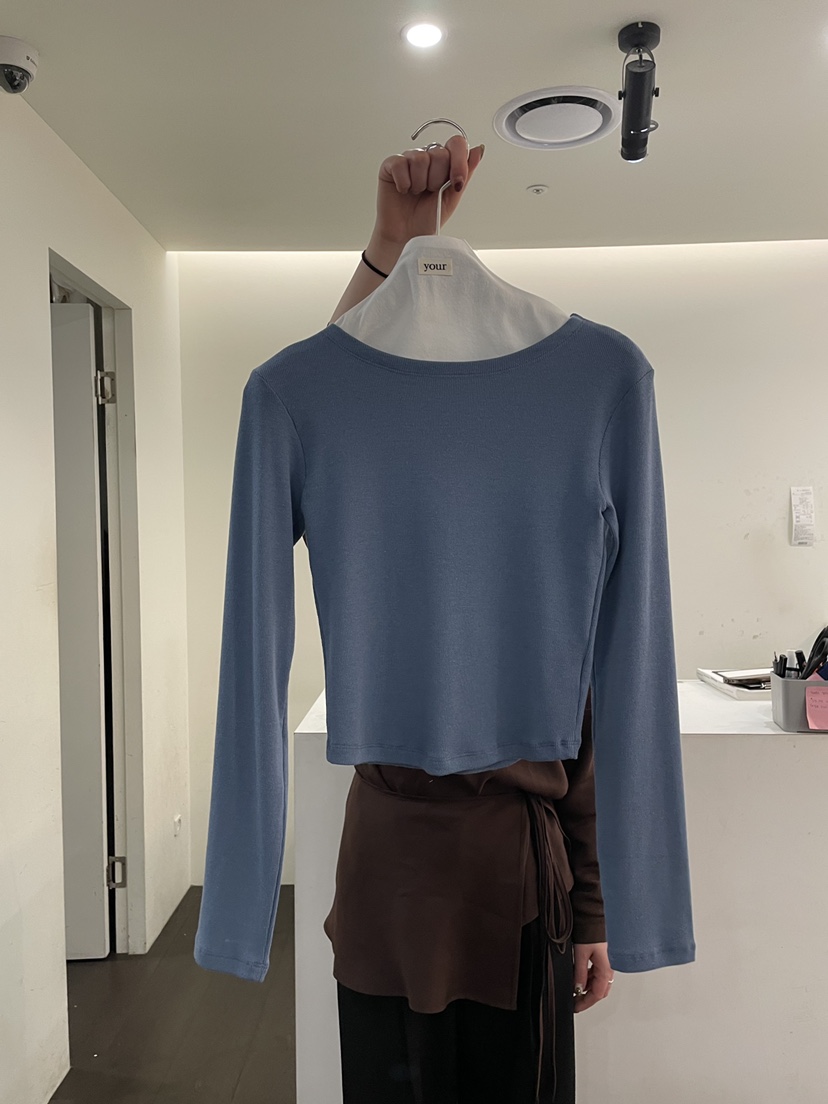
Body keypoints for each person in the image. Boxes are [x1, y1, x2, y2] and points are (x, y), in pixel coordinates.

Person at [324, 136, 614, 1104]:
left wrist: (595, 909)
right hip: (390, 879)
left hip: (512, 889)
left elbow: (582, 731)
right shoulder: (368, 503)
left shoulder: (544, 525)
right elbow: (330, 404)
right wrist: (388, 251)